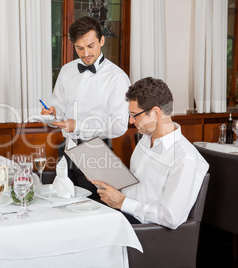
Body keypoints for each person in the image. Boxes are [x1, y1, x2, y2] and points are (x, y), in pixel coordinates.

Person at [92, 77, 209, 229]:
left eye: (134, 115)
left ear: (155, 113)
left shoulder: (185, 158)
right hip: (124, 215)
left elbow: (170, 217)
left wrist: (122, 202)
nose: (131, 121)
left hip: (147, 231)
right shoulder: (145, 140)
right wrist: (105, 177)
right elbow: (137, 188)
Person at [41, 16, 130, 199]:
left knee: (97, 209)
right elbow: (59, 106)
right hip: (67, 148)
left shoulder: (117, 78)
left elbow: (120, 125)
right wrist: (53, 112)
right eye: (79, 48)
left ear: (102, 40)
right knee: (65, 203)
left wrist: (78, 125)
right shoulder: (66, 71)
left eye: (91, 46)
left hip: (97, 152)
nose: (85, 53)